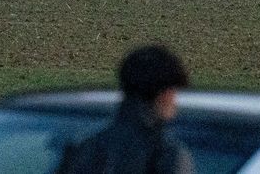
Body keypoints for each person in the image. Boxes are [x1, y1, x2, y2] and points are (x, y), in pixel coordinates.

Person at [60, 45, 193, 174]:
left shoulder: (84, 150)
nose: (175, 101)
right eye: (173, 91)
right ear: (163, 94)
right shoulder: (167, 155)